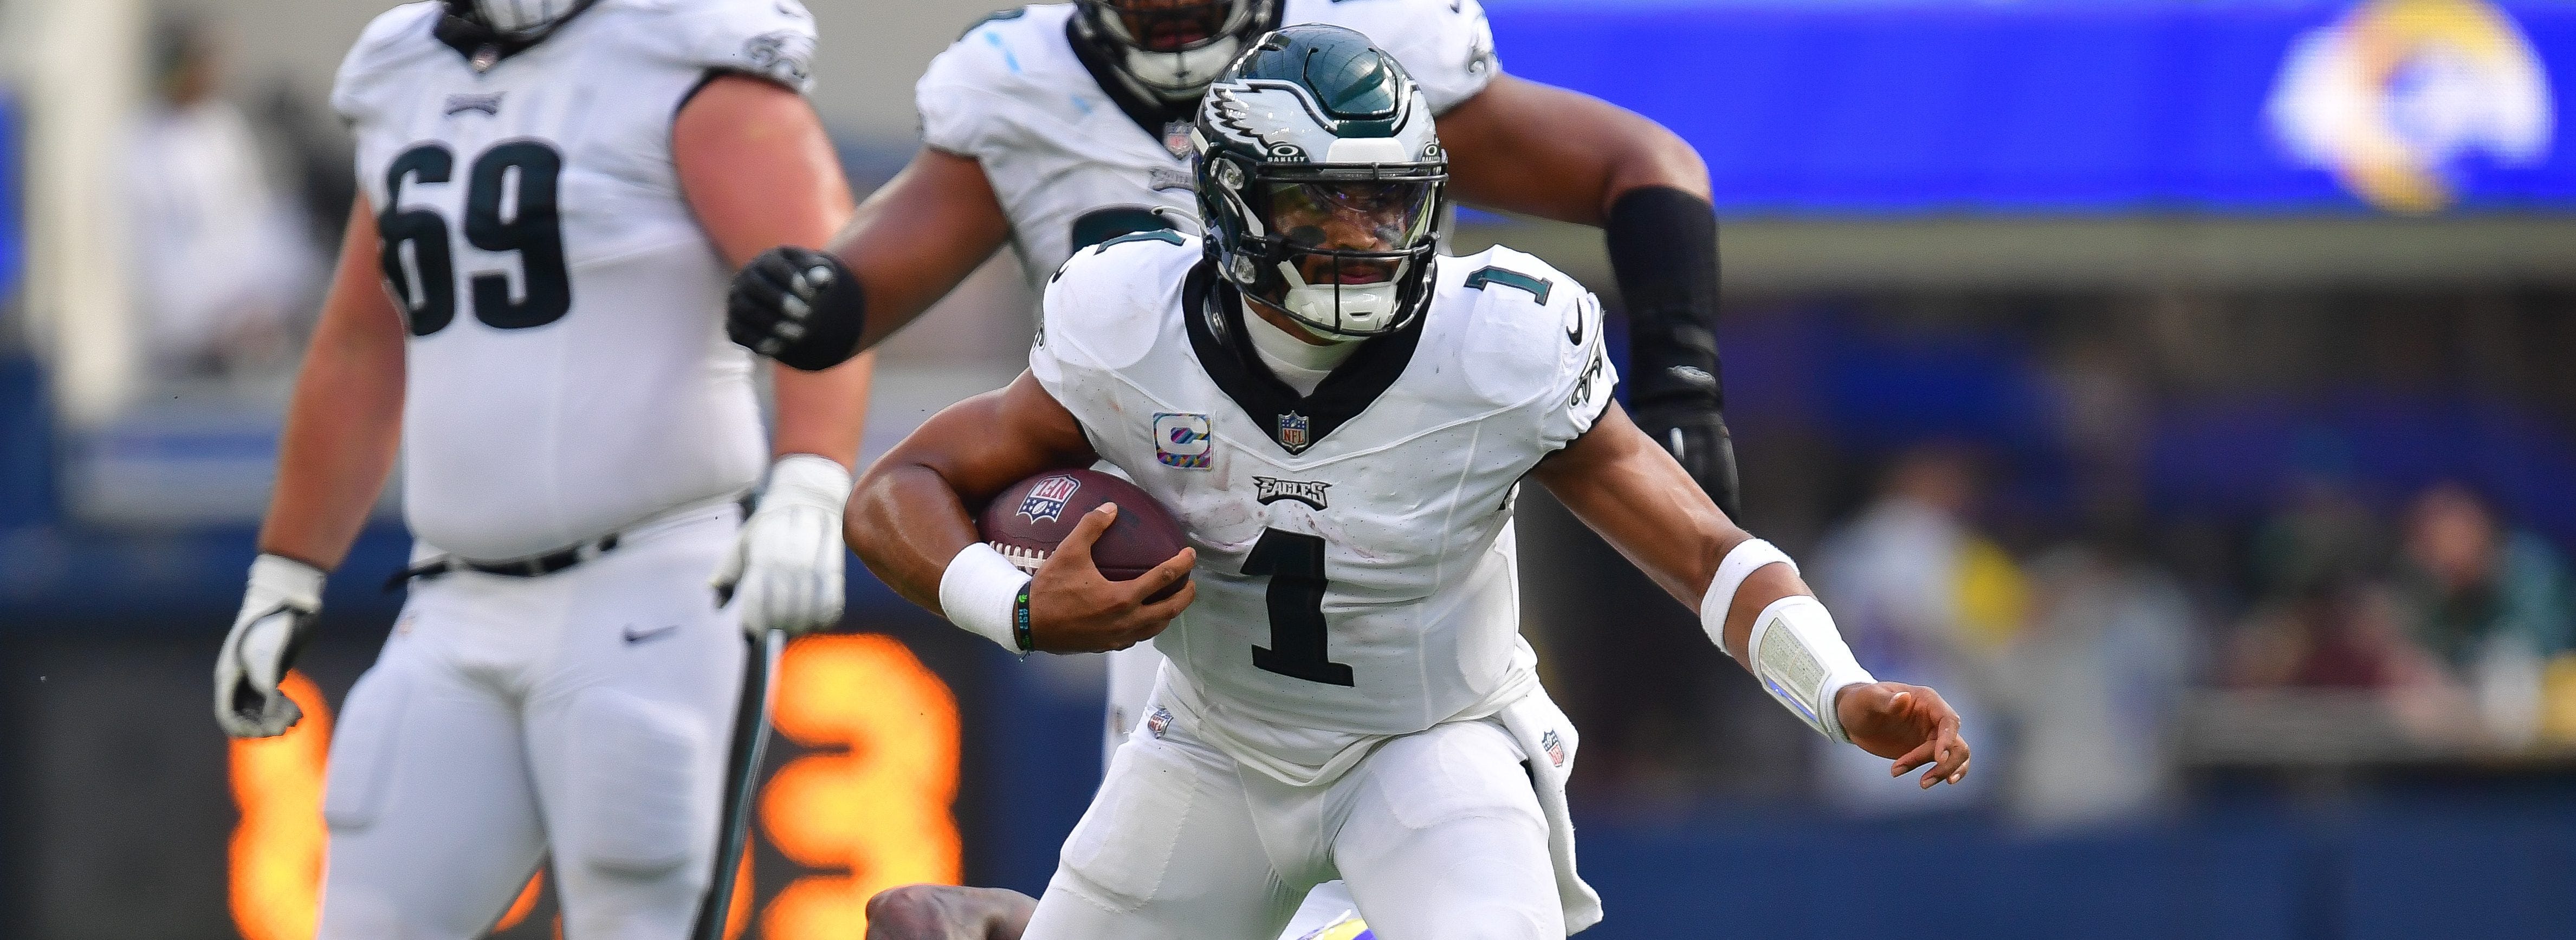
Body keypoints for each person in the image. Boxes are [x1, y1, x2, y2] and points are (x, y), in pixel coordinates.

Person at [844, 29, 1970, 939]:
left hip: (1429, 745)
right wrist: (1020, 606)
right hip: (1211, 743)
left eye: (1385, 203)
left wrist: (1837, 689)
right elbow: (902, 488)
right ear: (1234, 207)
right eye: (1321, 207)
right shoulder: (1127, 324)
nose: (1361, 238)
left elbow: (1704, 551)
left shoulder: (1497, 344)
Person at [725, 2, 1738, 925]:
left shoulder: (1366, 58)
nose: (1167, 11)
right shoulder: (1019, 84)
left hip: (1390, 557)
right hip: (1167, 555)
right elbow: (886, 333)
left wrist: (1683, 381)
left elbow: (1639, 166)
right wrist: (826, 300)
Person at [207, 1, 871, 935]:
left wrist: (810, 478)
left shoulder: (687, 50)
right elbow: (363, 343)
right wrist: (287, 571)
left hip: (654, 588)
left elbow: (827, 288)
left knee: (635, 916)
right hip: (454, 600)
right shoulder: (403, 70)